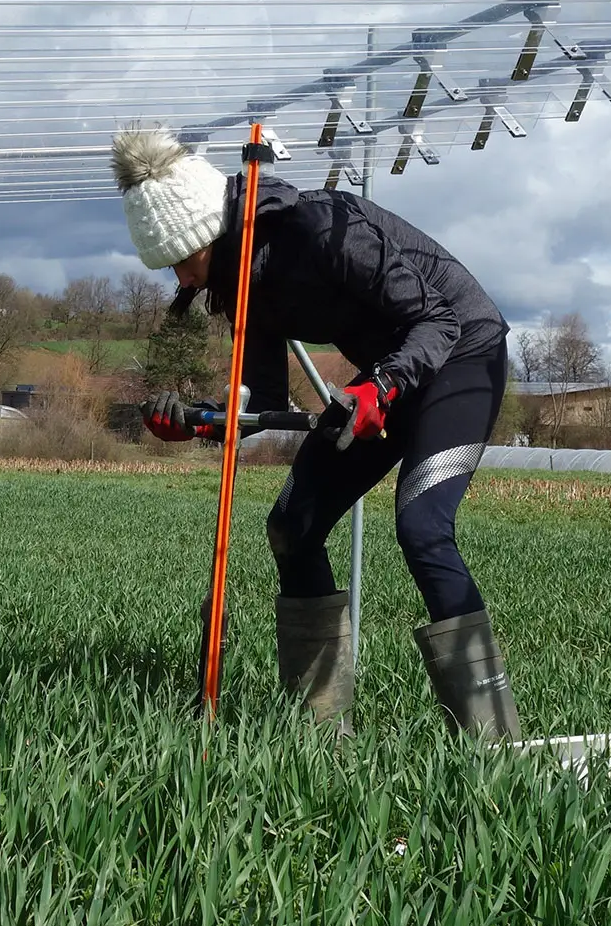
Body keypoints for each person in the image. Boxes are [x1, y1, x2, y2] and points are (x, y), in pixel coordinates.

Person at [113, 125, 518, 738]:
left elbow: (435, 321)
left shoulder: (324, 227)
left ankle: (492, 745)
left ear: (207, 236)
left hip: (462, 355)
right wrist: (200, 420)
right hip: (384, 382)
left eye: (182, 262)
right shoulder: (242, 283)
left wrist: (378, 388)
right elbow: (264, 402)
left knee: (422, 527)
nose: (182, 281)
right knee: (292, 527)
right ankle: (322, 734)